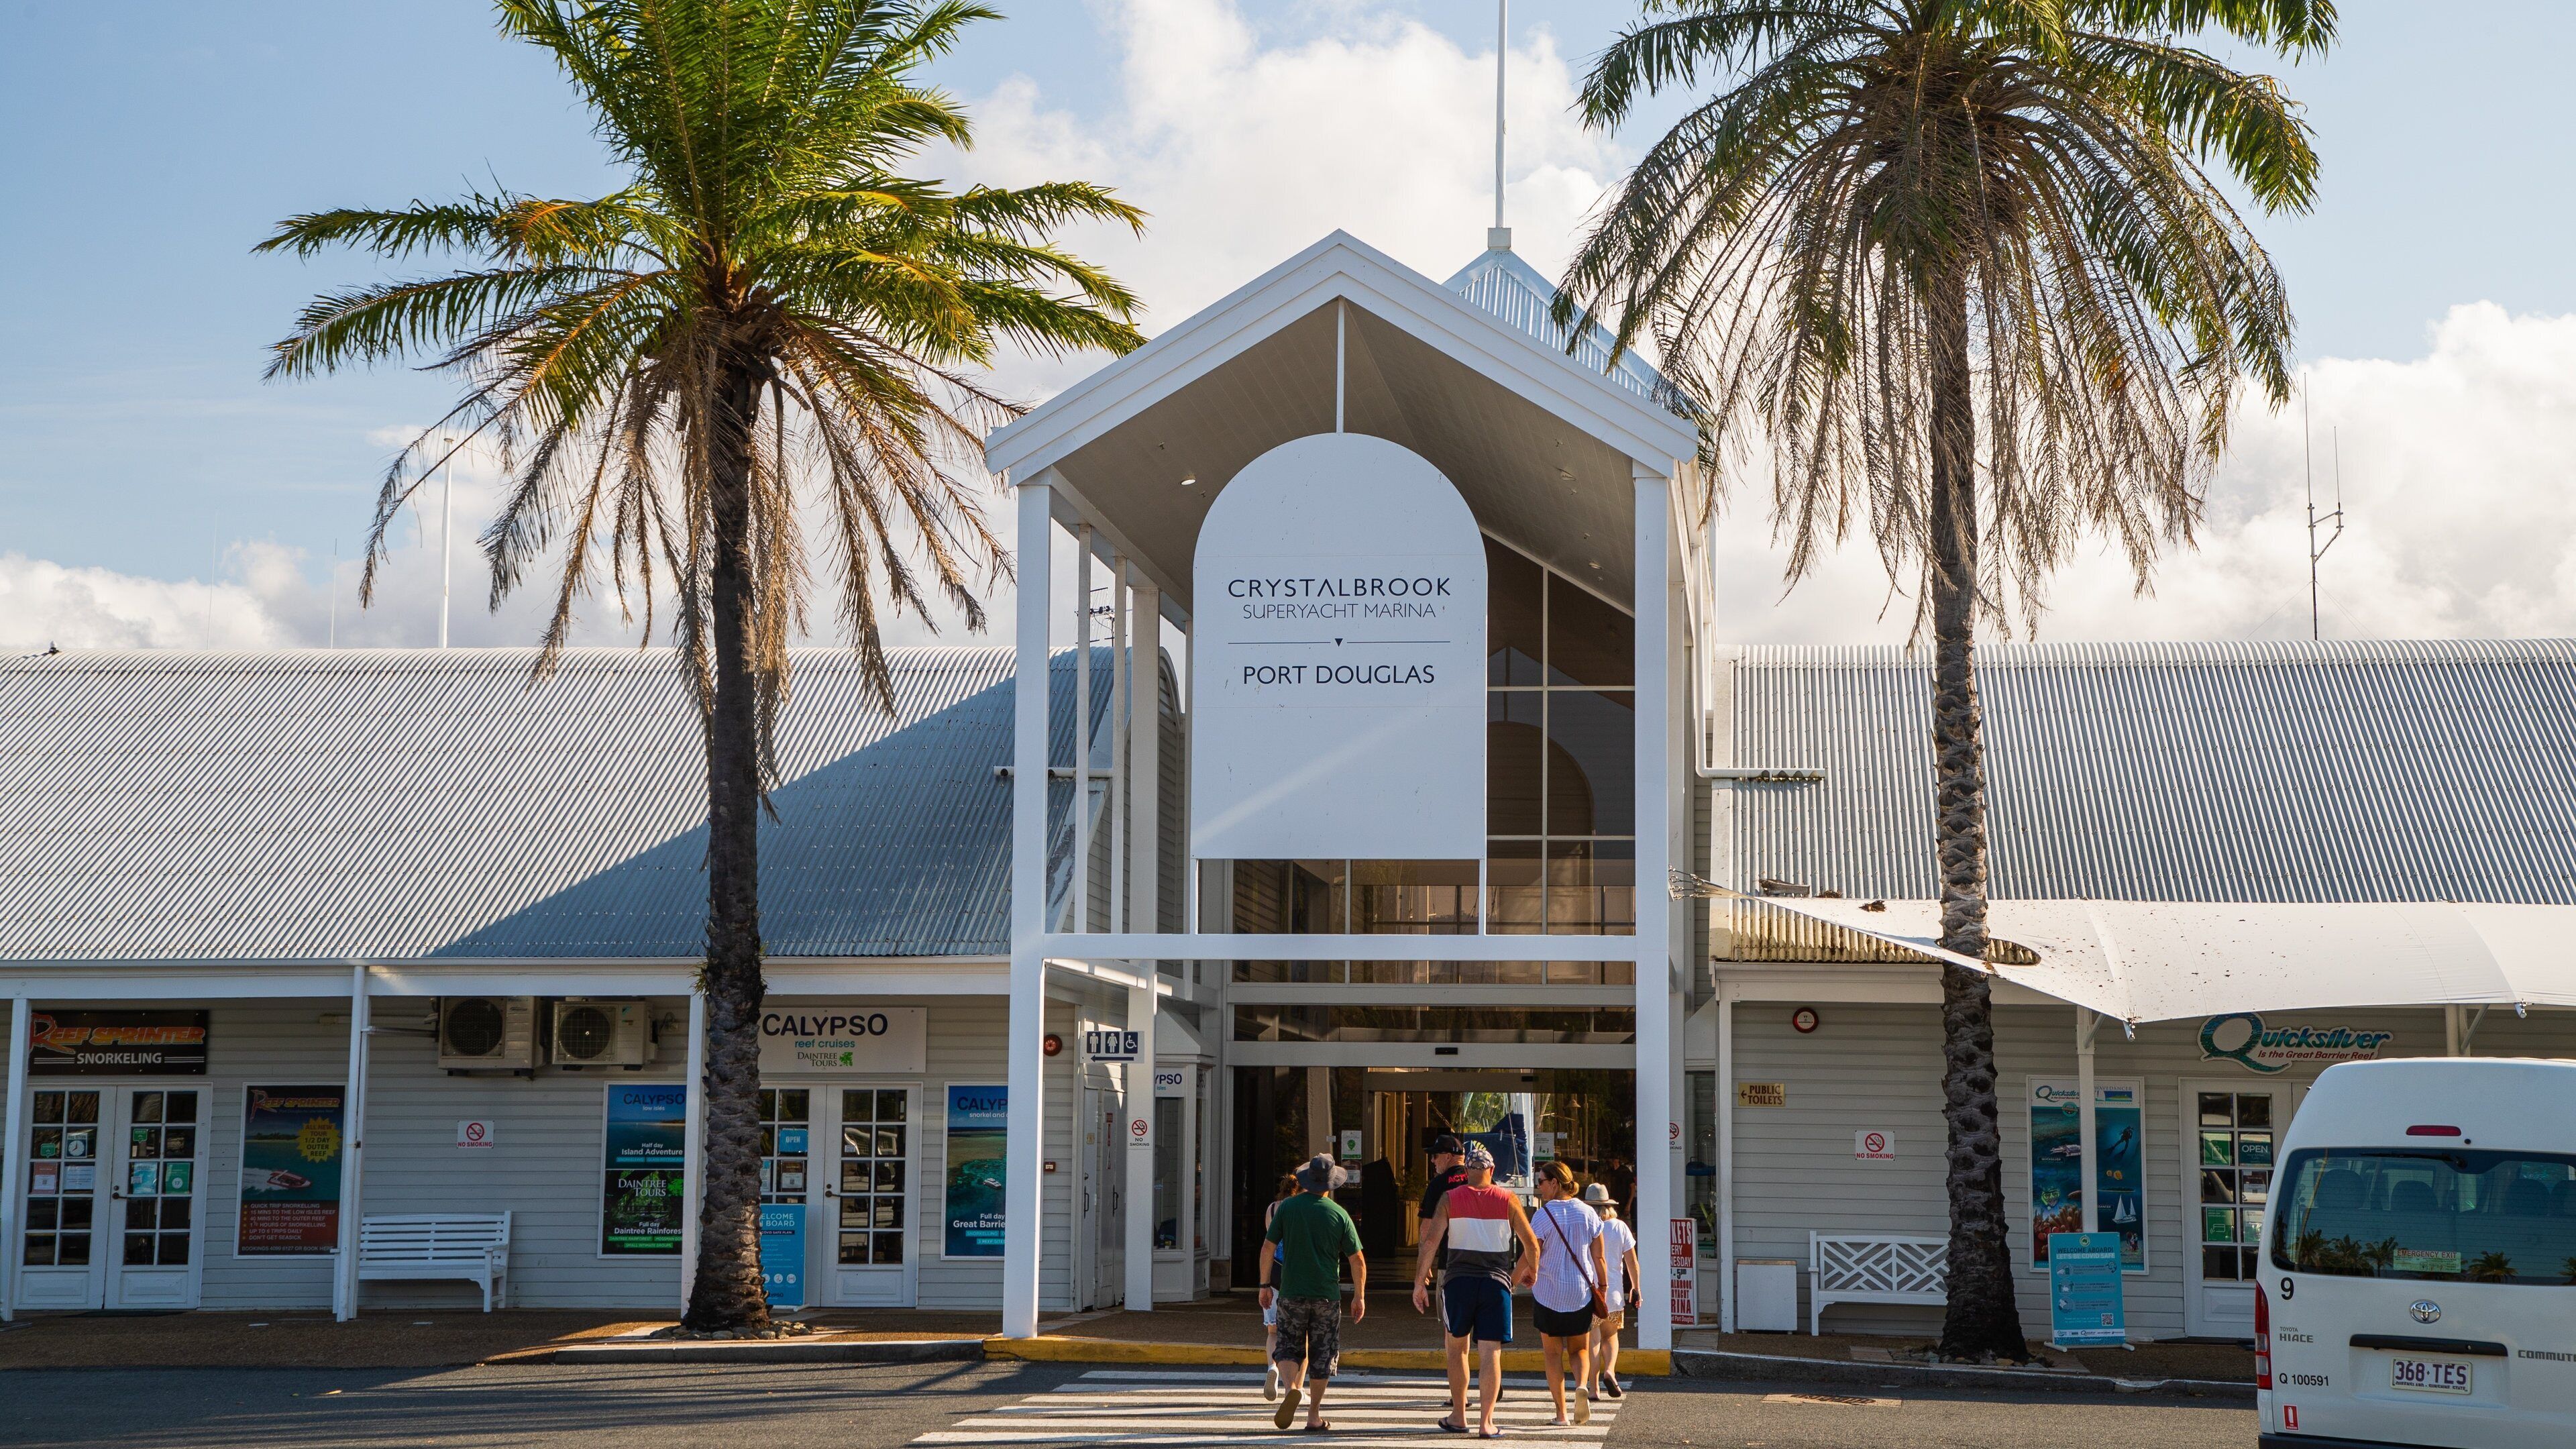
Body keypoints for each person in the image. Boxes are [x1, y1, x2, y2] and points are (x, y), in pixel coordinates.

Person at [1411, 1141, 1538, 1439]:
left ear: (1467, 1170)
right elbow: (1531, 1243)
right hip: (1496, 1283)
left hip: (1458, 1282)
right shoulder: (1508, 1199)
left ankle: (1458, 1415)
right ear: (1492, 1171)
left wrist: (1420, 1282)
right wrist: (1533, 1272)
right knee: (1490, 1353)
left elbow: (1430, 1242)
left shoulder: (1450, 1198)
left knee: (1456, 1350)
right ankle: (1487, 1423)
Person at [1262, 1153, 1366, 1433]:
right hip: (1326, 1296)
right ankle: (1314, 1416)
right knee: (1322, 1355)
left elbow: (1268, 1248)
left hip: (1291, 1291)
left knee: (1286, 1345)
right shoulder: (1339, 1214)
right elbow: (1357, 1260)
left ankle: (1290, 1390)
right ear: (1330, 1184)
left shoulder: (1286, 1208)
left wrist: (1263, 1286)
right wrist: (1359, 1295)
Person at [1529, 1162, 1607, 1426]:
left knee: (1553, 1354)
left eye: (1541, 1182)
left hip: (1548, 1294)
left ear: (1554, 1183)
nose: (1539, 1188)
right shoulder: (1588, 1213)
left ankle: (1561, 1414)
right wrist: (1603, 1287)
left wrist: (1516, 1279)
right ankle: (1582, 1385)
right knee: (1579, 1350)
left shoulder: (1542, 1216)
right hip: (1580, 1293)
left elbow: (1533, 1255)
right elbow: (1599, 1257)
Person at [1580, 1183, 1641, 1400]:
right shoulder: (1620, 1227)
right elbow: (1632, 1262)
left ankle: (1594, 1389)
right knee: (1611, 1336)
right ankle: (1610, 1371)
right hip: (1613, 1293)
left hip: (1589, 1292)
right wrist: (1636, 1288)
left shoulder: (1584, 1225)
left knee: (1593, 1341)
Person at [1262, 1172, 1297, 1401]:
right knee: (1297, 1334)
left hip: (1273, 1273)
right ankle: (1294, 1387)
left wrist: (1263, 1282)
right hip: (1295, 1275)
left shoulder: (1272, 1209)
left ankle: (1271, 1368)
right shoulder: (1300, 1208)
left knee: (1273, 1330)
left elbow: (1270, 1241)